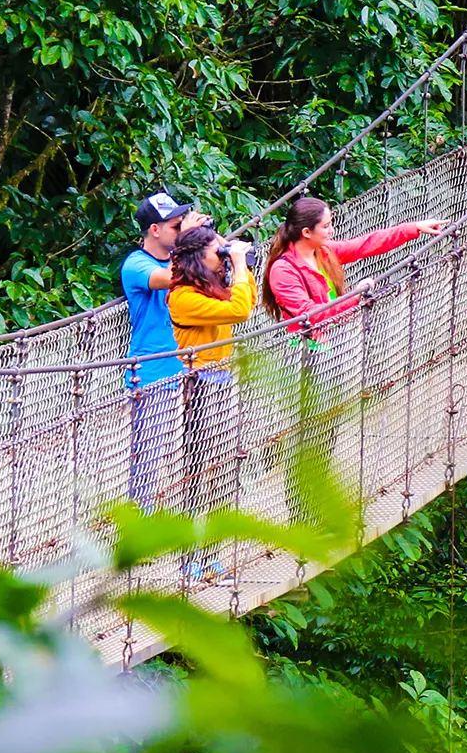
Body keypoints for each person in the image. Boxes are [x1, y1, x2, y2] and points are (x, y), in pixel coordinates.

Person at [167, 226, 257, 545]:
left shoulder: (210, 286)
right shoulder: (184, 297)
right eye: (215, 252)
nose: (221, 257)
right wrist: (238, 264)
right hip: (199, 382)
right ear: (197, 257)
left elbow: (248, 300)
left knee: (221, 468)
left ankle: (213, 551)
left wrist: (237, 266)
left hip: (222, 377)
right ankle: (191, 553)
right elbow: (240, 311)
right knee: (199, 468)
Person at [121, 190, 204, 509]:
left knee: (202, 450)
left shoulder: (182, 256)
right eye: (175, 226)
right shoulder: (136, 264)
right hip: (154, 371)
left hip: (196, 363)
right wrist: (191, 243)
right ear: (155, 229)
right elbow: (169, 278)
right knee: (149, 456)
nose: (181, 230)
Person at [262, 195, 446, 335]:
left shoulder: (322, 251)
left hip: (337, 337)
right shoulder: (283, 270)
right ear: (307, 232)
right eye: (325, 227)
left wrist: (414, 228)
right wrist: (355, 297)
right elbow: (309, 315)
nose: (331, 231)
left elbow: (364, 245)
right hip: (307, 349)